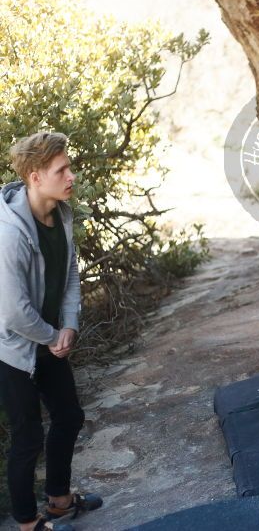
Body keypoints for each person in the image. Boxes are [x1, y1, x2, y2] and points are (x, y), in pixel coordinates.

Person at [0, 132, 103, 531]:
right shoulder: (9, 234)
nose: (71, 176)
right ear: (34, 177)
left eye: (69, 167)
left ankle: (59, 500)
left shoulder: (61, 215)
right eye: (62, 170)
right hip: (12, 349)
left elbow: (71, 273)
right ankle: (27, 523)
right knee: (27, 438)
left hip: (48, 340)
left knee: (69, 415)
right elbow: (12, 312)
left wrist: (70, 324)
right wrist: (52, 335)